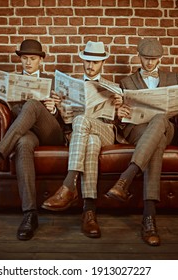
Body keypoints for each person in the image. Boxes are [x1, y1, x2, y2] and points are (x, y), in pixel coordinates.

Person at [105, 38, 178, 246]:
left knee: (159, 120)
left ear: (161, 58)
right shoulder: (126, 82)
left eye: (154, 59)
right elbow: (120, 117)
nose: (150, 64)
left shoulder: (174, 78)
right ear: (138, 57)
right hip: (136, 130)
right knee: (155, 141)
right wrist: (118, 111)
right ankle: (149, 218)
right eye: (146, 59)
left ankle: (126, 179)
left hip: (166, 129)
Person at [0, 39, 66, 241]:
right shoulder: (10, 81)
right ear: (20, 60)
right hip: (27, 134)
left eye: (33, 59)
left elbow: (68, 118)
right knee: (22, 144)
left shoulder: (54, 82)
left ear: (40, 61)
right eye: (25, 58)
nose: (28, 63)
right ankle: (30, 214)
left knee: (31, 105)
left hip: (51, 132)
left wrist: (54, 108)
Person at [41, 41, 123, 238]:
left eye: (95, 62)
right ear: (82, 61)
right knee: (90, 141)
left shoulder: (113, 87)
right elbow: (61, 121)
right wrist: (56, 107)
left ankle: (69, 186)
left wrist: (120, 109)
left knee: (84, 122)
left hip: (105, 130)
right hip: (81, 133)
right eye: (87, 61)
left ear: (103, 62)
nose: (90, 66)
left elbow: (123, 121)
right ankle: (89, 211)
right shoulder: (70, 86)